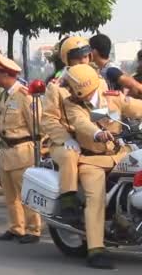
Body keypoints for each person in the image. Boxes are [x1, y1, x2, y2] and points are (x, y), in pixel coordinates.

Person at [62, 64, 142, 269]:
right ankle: (95, 249)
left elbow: (134, 106)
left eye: (72, 87)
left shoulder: (111, 96)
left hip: (121, 154)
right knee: (95, 199)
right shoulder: (72, 104)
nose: (70, 91)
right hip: (92, 161)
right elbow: (81, 123)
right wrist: (97, 133)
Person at [41, 36, 100, 222]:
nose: (83, 61)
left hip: (93, 136)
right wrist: (67, 138)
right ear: (67, 59)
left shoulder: (96, 78)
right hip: (66, 140)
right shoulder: (56, 86)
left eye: (86, 57)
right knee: (69, 155)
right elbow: (48, 119)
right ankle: (68, 202)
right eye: (78, 58)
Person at [0, 53, 41, 243]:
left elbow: (37, 127)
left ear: (6, 75)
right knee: (10, 195)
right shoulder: (5, 95)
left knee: (27, 193)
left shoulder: (24, 96)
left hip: (22, 151)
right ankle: (17, 227)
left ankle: (34, 229)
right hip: (6, 151)